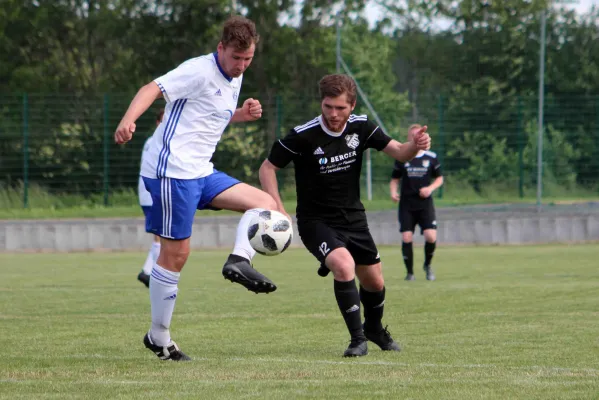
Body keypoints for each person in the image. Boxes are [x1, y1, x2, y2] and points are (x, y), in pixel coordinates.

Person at [114, 16, 279, 362]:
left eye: (248, 60)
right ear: (221, 48)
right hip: (173, 171)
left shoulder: (235, 74)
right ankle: (159, 338)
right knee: (176, 255)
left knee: (265, 204)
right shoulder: (198, 70)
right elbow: (150, 89)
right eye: (236, 58)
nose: (241, 66)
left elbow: (210, 113)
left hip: (202, 172)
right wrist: (128, 120)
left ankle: (238, 260)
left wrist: (241, 115)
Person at [258, 74, 431, 357]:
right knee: (343, 265)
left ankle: (374, 329)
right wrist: (277, 206)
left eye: (340, 108)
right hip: (316, 221)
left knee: (375, 282)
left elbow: (401, 153)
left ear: (352, 105)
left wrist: (416, 144)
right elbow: (267, 168)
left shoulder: (362, 127)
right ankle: (357, 339)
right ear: (321, 103)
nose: (333, 114)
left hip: (354, 218)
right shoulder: (303, 135)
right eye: (328, 107)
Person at [389, 124, 444, 281]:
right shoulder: (402, 158)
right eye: (413, 136)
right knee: (407, 237)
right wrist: (393, 192)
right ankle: (410, 273)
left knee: (430, 236)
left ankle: (427, 265)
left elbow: (440, 178)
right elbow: (394, 180)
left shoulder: (431, 157)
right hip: (406, 204)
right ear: (409, 138)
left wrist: (430, 188)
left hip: (425, 204)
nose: (416, 138)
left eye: (419, 135)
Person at [137, 109, 164, 288]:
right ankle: (150, 273)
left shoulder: (149, 141)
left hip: (145, 192)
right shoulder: (159, 141)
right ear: (157, 123)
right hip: (152, 192)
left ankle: (148, 271)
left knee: (160, 235)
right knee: (161, 236)